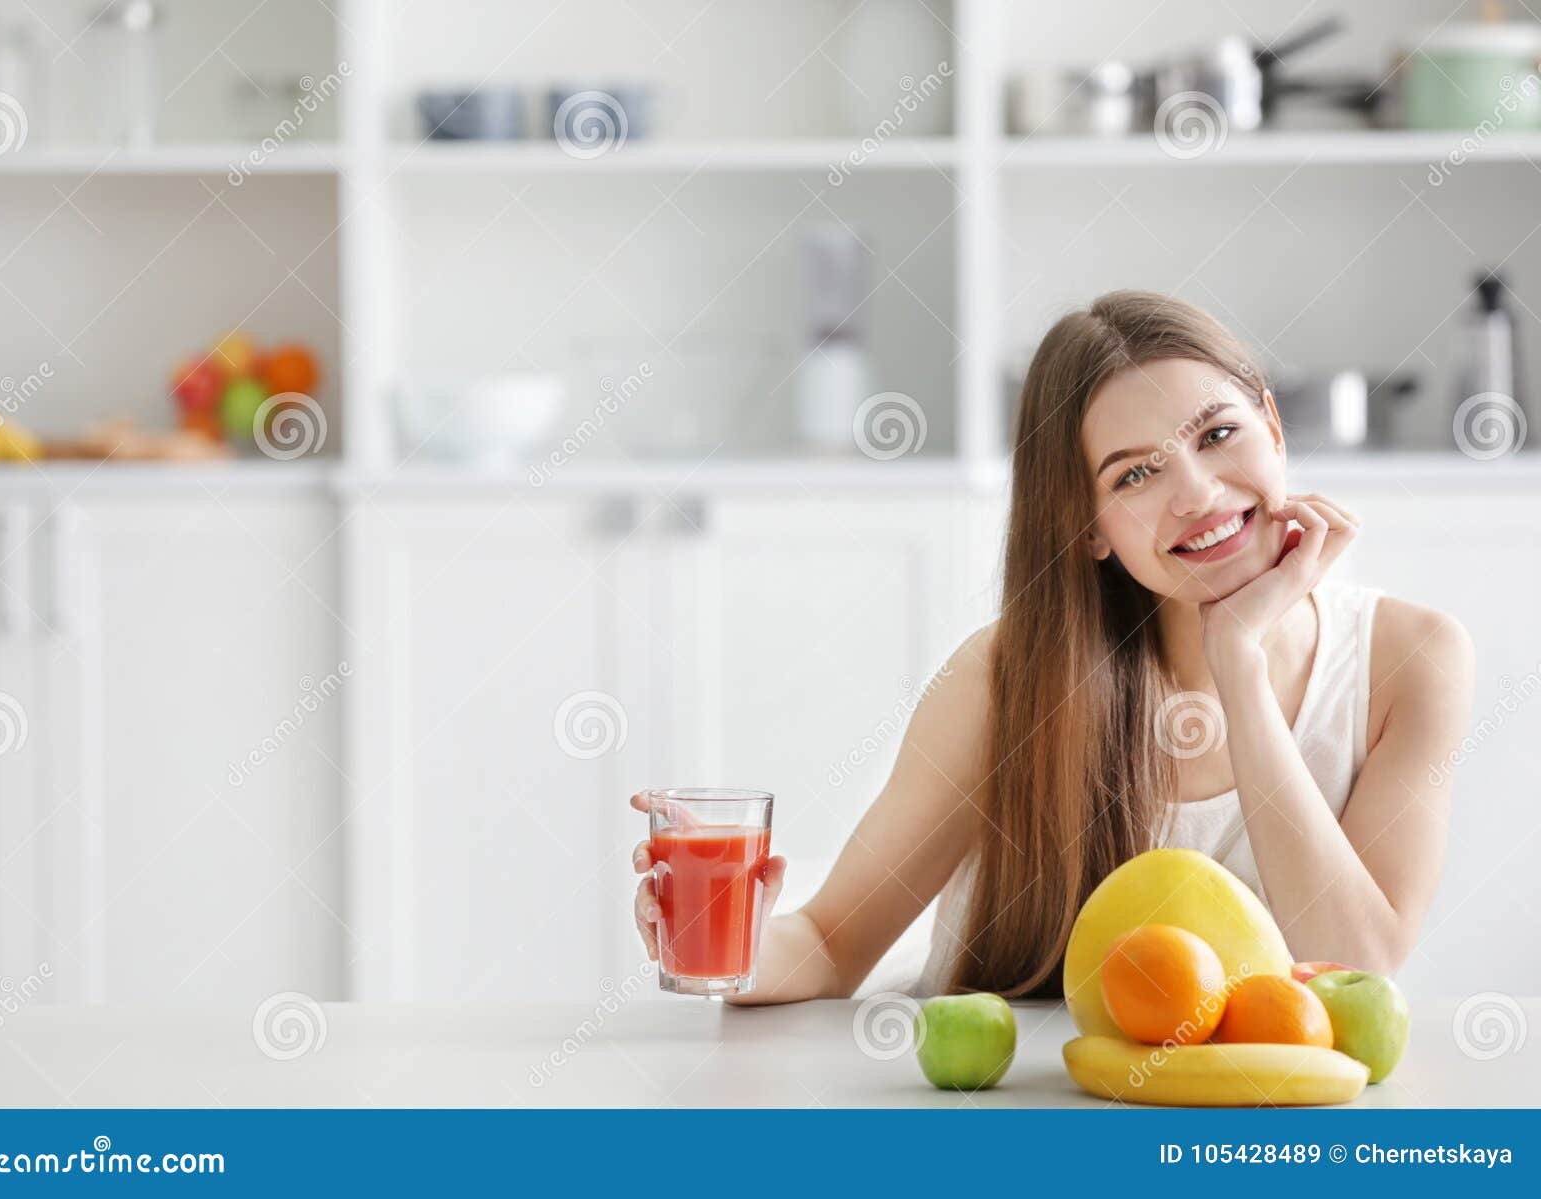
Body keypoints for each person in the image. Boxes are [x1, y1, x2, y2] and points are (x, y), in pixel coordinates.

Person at [630, 290, 1475, 1005]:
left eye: (1217, 434)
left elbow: (1351, 967)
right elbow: (828, 941)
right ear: (1088, 526)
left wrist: (1240, 665)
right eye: (1133, 475)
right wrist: (717, 948)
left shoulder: (1413, 659)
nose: (1197, 492)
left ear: (1275, 428)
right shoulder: (1006, 679)